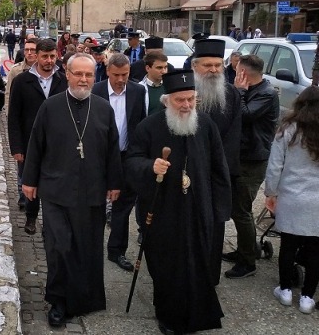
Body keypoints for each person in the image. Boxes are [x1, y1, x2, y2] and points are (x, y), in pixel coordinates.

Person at [125, 69, 231, 334]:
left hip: (198, 209)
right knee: (166, 264)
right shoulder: (149, 126)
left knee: (198, 261)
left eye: (191, 99)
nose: (186, 106)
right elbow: (131, 161)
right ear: (167, 101)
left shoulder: (205, 125)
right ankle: (169, 316)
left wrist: (219, 210)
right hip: (163, 210)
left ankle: (200, 314)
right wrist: (151, 166)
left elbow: (219, 169)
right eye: (179, 100)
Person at [22, 52, 122, 326]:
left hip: (92, 191)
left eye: (89, 74)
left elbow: (112, 149)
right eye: (78, 73)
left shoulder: (103, 108)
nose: (83, 79)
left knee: (88, 247)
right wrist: (29, 180)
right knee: (60, 247)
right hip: (56, 190)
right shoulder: (51, 107)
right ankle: (58, 300)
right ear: (67, 73)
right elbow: (36, 145)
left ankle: (85, 298)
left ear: (94, 76)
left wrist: (115, 183)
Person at [223, 54, 280, 279]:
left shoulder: (266, 94)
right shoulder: (253, 91)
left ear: (242, 73)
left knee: (242, 211)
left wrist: (239, 91)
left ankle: (248, 262)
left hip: (253, 160)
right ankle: (247, 249)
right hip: (242, 157)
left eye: (236, 70)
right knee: (238, 209)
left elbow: (244, 115)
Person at [191, 38, 242, 284]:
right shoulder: (185, 91)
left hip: (215, 174)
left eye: (218, 65)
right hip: (188, 171)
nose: (213, 70)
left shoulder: (231, 94)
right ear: (194, 67)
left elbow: (233, 135)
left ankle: (209, 277)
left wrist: (225, 173)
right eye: (207, 65)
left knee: (214, 226)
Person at [265, 86, 319, 315]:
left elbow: (275, 166)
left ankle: (285, 289)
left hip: (291, 196)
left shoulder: (287, 130)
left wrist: (270, 193)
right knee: (316, 249)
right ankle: (307, 297)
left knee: (288, 245)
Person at [92, 53, 146, 272]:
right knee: (94, 204)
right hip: (98, 157)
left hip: (126, 157)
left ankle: (117, 251)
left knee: (122, 208)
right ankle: (91, 248)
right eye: (116, 75)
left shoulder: (137, 91)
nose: (121, 79)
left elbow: (139, 124)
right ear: (107, 72)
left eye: (125, 74)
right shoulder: (95, 91)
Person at [8, 38, 67, 235]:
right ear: (37, 57)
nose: (49, 61)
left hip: (57, 144)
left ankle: (50, 222)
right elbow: (13, 116)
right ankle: (31, 218)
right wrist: (16, 148)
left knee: (53, 183)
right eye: (45, 57)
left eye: (52, 56)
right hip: (28, 142)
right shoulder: (22, 81)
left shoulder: (64, 80)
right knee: (30, 182)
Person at [7, 37, 38, 101]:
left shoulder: (44, 70)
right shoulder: (15, 70)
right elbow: (8, 93)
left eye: (32, 50)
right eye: (26, 50)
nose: (29, 53)